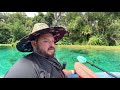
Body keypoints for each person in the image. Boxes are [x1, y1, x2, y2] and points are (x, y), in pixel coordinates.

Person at [4, 23, 98, 78]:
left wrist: (74, 71)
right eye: (46, 41)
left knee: (77, 65)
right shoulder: (27, 66)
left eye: (53, 41)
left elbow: (60, 72)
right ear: (34, 44)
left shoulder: (50, 58)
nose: (52, 45)